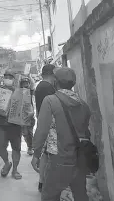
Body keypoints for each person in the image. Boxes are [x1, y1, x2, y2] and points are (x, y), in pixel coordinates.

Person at [31, 67, 91, 201]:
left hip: (59, 159)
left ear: (55, 81)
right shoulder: (84, 104)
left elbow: (42, 130)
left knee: (49, 196)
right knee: (81, 195)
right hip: (79, 159)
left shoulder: (50, 101)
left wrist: (36, 154)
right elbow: (86, 132)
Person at [0, 69, 23, 180]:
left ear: (14, 79)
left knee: (16, 148)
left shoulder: (19, 92)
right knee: (0, 146)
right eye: (6, 77)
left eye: (10, 77)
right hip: (1, 124)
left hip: (15, 126)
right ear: (3, 78)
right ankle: (7, 163)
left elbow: (25, 108)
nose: (8, 79)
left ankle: (15, 170)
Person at [35, 64, 57, 192]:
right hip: (49, 124)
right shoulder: (47, 87)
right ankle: (43, 182)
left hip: (44, 122)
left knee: (46, 153)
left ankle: (42, 182)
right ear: (52, 73)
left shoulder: (41, 86)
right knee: (47, 154)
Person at [20, 75, 35, 155]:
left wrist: (29, 75)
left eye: (27, 83)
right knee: (25, 133)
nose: (25, 85)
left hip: (29, 115)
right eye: (23, 83)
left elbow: (33, 85)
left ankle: (31, 147)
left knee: (29, 132)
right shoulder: (18, 92)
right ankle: (30, 146)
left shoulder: (30, 91)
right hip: (21, 116)